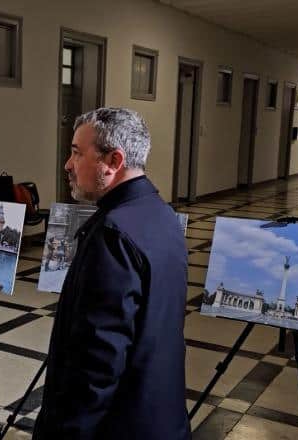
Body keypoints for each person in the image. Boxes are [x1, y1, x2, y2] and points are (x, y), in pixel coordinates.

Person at [33, 108, 189, 439]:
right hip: (158, 417)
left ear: (114, 161)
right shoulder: (161, 216)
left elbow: (97, 363)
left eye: (77, 153)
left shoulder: (112, 234)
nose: (68, 165)